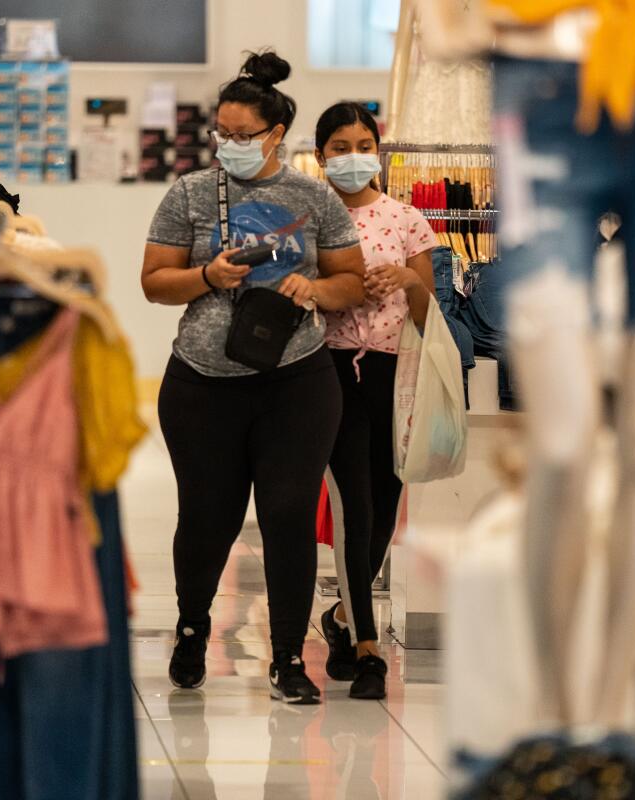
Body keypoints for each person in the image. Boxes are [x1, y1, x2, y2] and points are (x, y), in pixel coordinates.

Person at [141, 50, 365, 706]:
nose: (230, 146)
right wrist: (208, 276)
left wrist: (315, 289)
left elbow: (349, 280)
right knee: (207, 516)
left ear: (276, 135)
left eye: (244, 136)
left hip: (296, 381)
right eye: (222, 134)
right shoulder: (187, 193)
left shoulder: (314, 196)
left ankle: (289, 656)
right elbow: (154, 282)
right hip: (201, 383)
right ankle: (191, 625)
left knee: (289, 515)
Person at [314, 102, 436, 701]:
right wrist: (336, 288)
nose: (353, 155)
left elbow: (427, 315)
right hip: (330, 370)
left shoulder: (409, 219)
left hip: (394, 374)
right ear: (320, 156)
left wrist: (409, 279)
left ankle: (339, 618)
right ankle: (368, 647)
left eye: (363, 143)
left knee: (385, 507)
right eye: (340, 146)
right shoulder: (308, 220)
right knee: (354, 508)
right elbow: (296, 296)